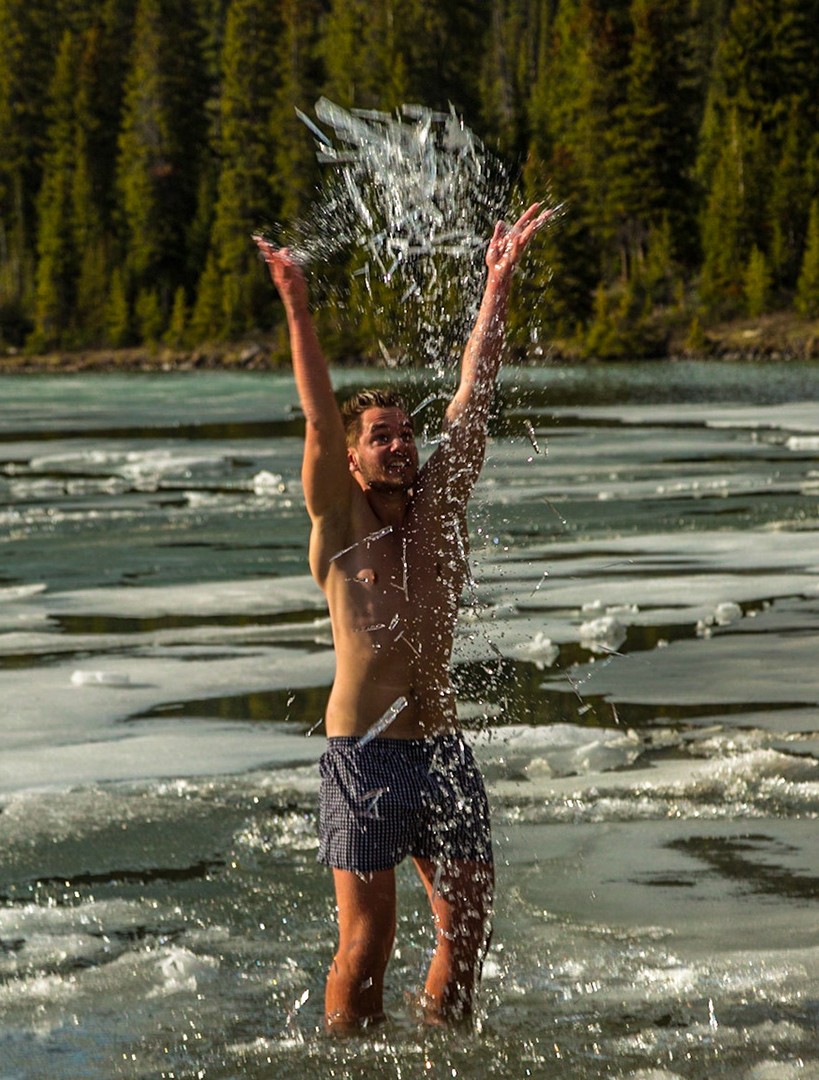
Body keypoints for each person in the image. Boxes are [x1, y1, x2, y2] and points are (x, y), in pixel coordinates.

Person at [252, 203, 551, 1031]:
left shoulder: (440, 507)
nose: (400, 445)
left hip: (442, 750)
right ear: (352, 456)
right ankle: (348, 1058)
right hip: (365, 755)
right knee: (370, 941)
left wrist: (497, 282)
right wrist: (298, 308)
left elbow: (474, 392)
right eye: (381, 436)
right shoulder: (339, 523)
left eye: (405, 434)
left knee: (468, 924)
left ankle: (439, 1050)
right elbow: (317, 414)